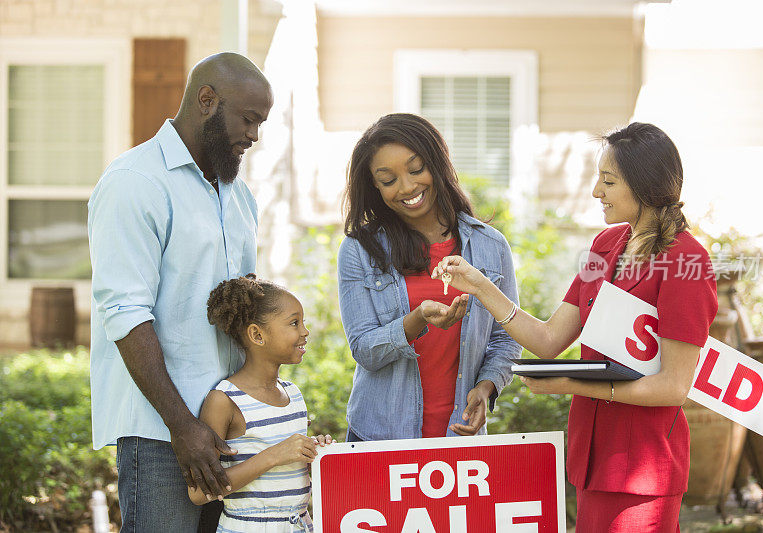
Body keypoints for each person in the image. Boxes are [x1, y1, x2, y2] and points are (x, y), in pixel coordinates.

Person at [432, 122, 718, 532]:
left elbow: (673, 386)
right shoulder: (605, 246)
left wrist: (570, 383)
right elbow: (548, 340)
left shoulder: (686, 263)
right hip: (592, 458)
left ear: (645, 185)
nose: (596, 192)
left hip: (643, 469)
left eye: (608, 181)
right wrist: (480, 286)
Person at [88, 52, 273, 531]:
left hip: (230, 427)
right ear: (207, 100)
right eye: (249, 120)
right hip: (161, 433)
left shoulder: (237, 194)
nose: (254, 135)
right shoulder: (134, 182)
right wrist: (182, 427)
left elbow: (242, 304)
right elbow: (126, 314)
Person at [338, 113, 522, 442]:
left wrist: (487, 385)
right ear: (375, 186)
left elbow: (506, 339)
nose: (407, 187)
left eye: (416, 169)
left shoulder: (490, 247)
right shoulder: (359, 251)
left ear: (436, 163)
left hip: (459, 435)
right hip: (380, 437)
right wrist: (417, 319)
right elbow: (365, 350)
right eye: (388, 179)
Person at [189, 275, 332, 532]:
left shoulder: (293, 395)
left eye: (303, 322)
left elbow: (291, 472)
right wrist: (274, 455)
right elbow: (200, 493)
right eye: (294, 323)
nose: (305, 331)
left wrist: (317, 455)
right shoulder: (224, 401)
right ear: (257, 334)